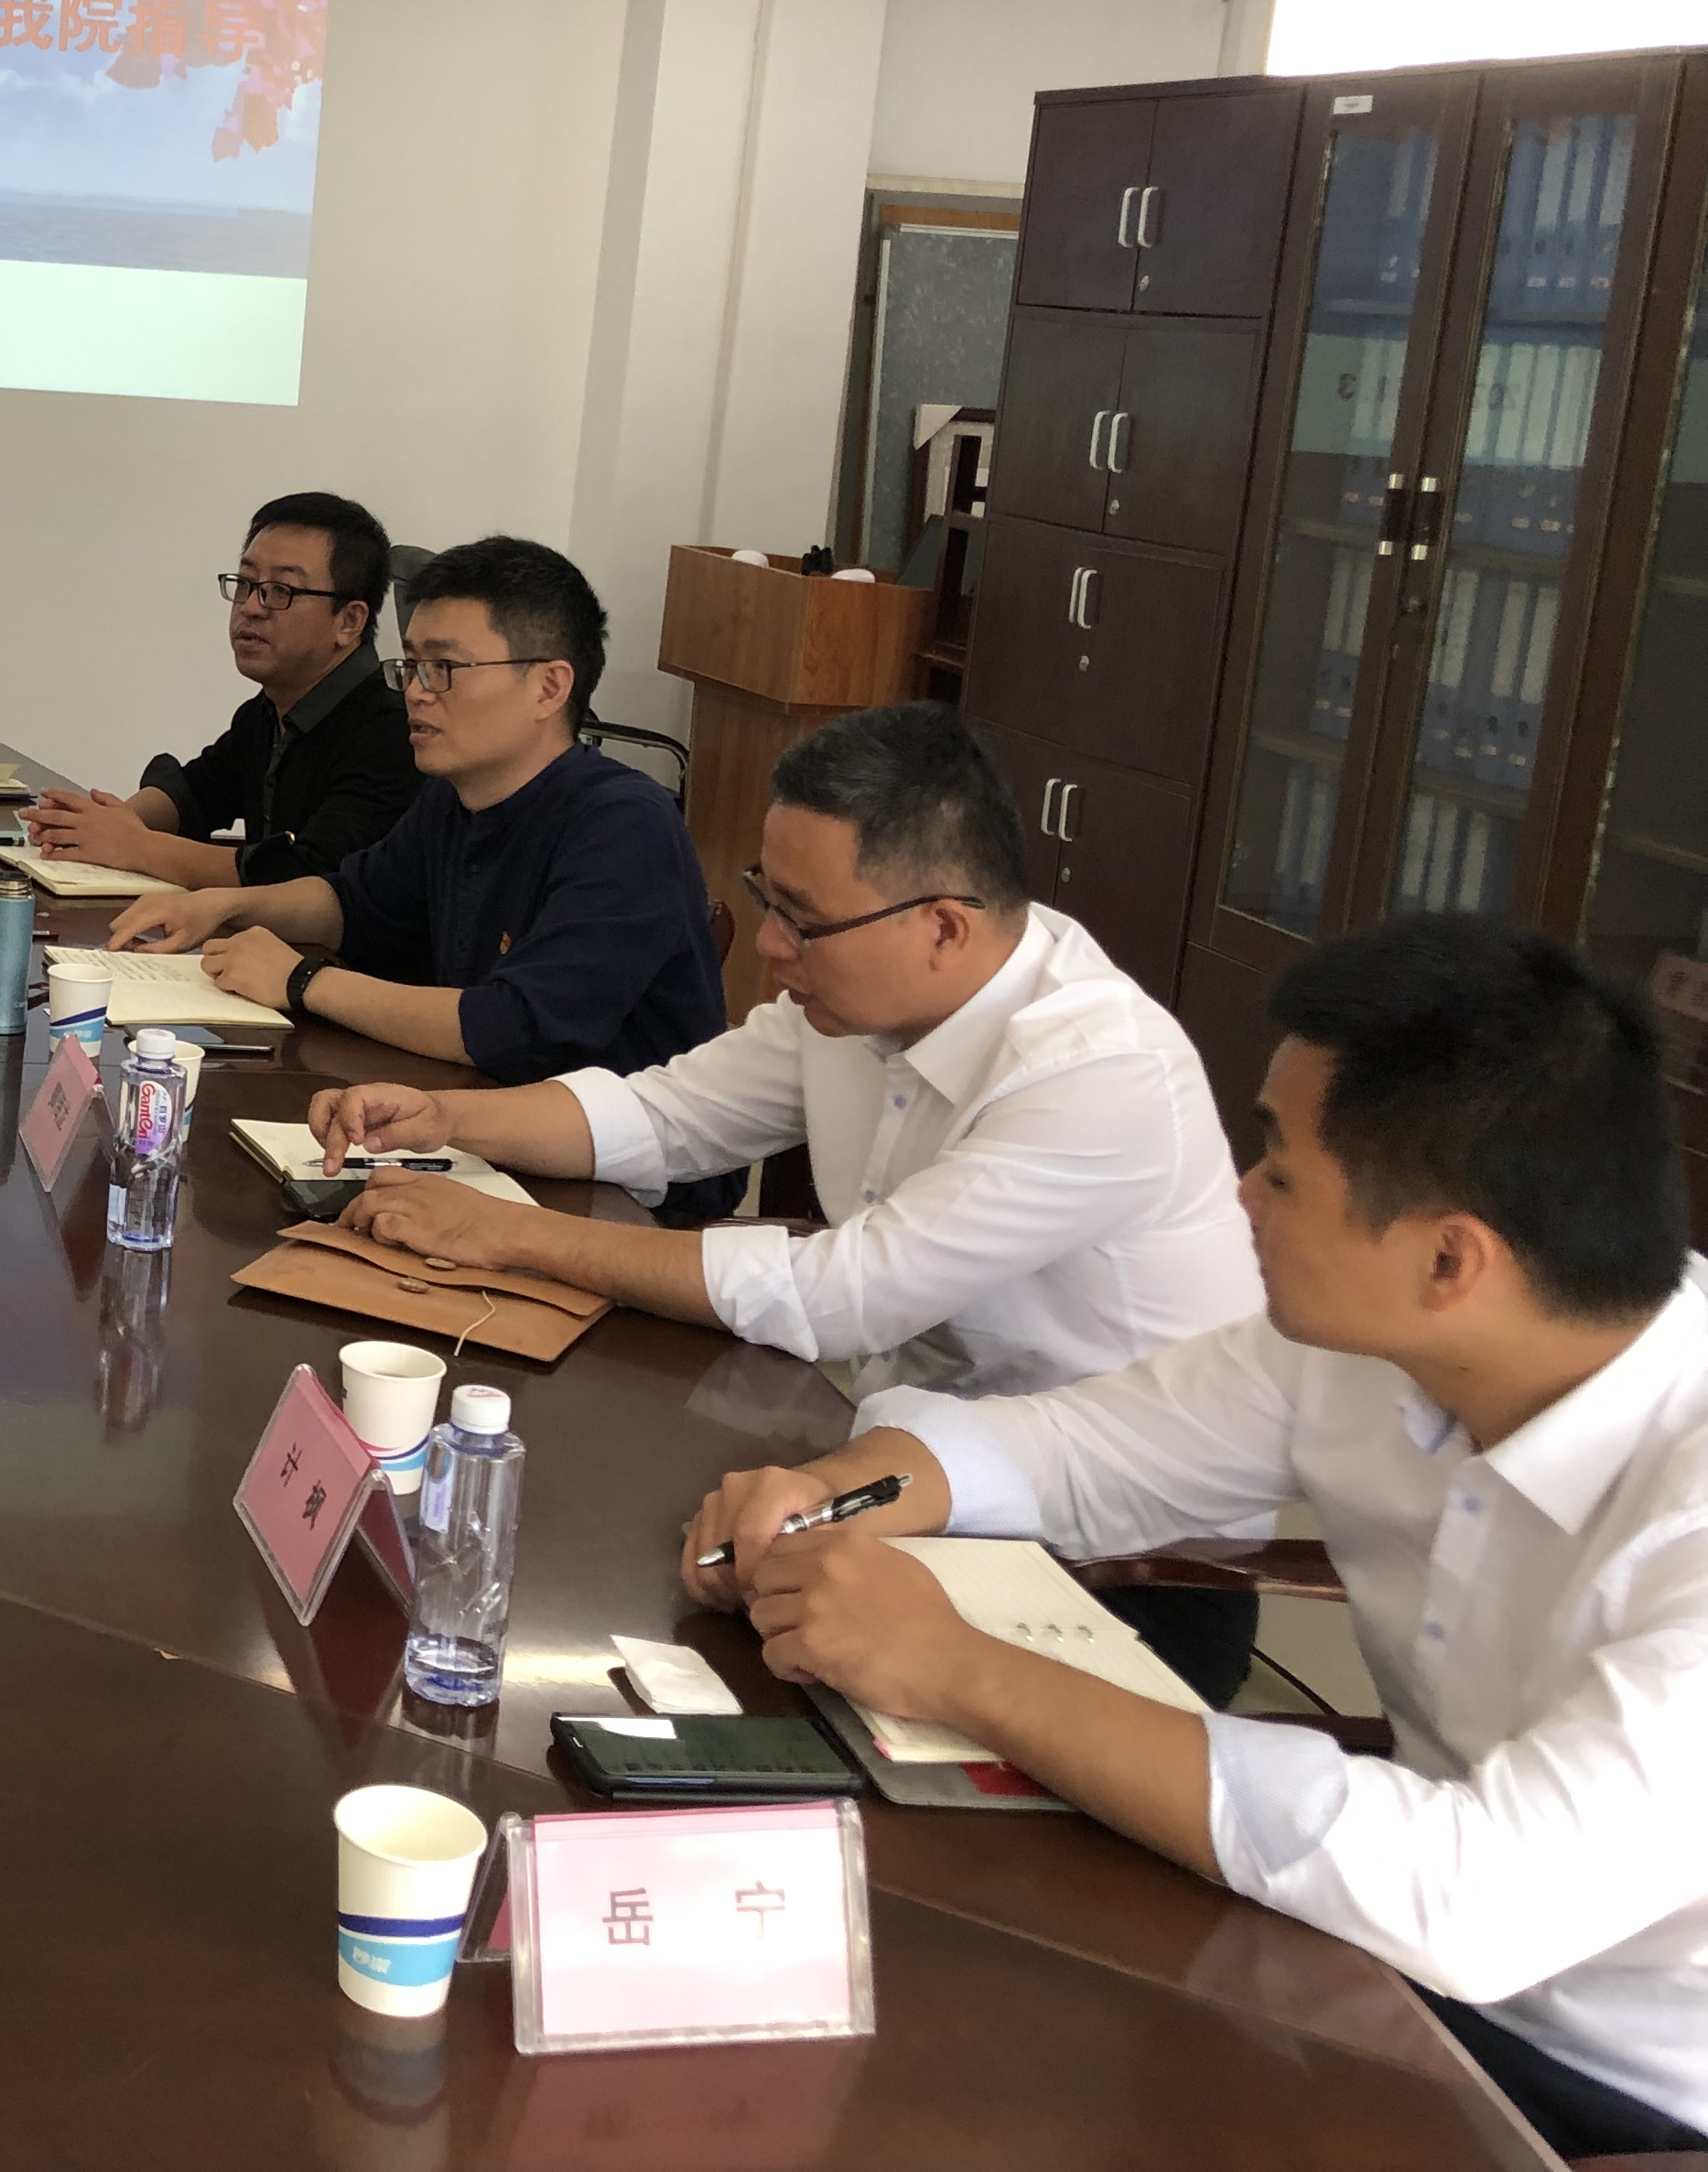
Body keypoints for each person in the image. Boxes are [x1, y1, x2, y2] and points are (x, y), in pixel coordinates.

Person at [683, 917, 1708, 2163]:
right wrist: (829, 1492)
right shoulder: (1368, 1343)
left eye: (1282, 1170)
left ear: (1450, 1258)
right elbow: (1078, 1449)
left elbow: (1476, 1896)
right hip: (1362, 1962)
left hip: (1603, 2092)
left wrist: (959, 1667)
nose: (1241, 1194)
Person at [311, 699, 1259, 1396]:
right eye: (767, 899)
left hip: (1100, 1536)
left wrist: (507, 1232)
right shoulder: (849, 1004)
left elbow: (848, 1295)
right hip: (904, 1433)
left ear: (943, 928)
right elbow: (665, 1115)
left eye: (803, 919)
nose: (769, 944)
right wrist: (444, 1118)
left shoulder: (1095, 1069)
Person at [106, 536, 722, 1089]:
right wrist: (223, 906)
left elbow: (518, 1027)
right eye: (413, 666)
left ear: (549, 687)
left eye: (444, 668)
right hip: (466, 1108)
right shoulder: (453, 798)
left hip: (605, 1164)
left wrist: (302, 981)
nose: (417, 692)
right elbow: (355, 902)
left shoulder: (623, 826)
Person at [20, 492, 417, 891]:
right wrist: (104, 822)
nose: (251, 607)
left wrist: (135, 845)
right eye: (245, 583)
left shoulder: (393, 732)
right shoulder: (267, 712)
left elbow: (307, 875)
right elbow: (194, 794)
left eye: (281, 590)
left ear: (349, 621)